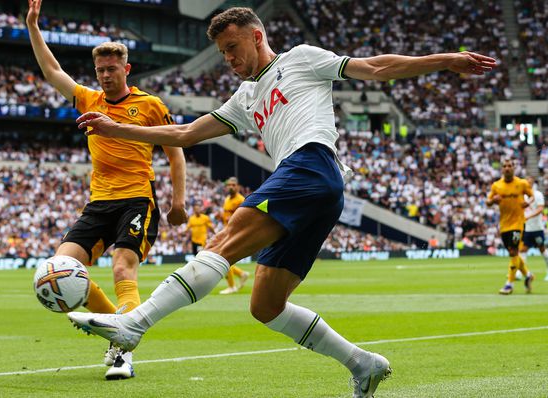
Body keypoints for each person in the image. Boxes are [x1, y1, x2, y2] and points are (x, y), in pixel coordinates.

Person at [68, 7, 496, 396]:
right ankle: (363, 364)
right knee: (266, 306)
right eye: (221, 53)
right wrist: (116, 130)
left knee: (224, 240)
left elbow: (376, 68)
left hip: (310, 164)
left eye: (232, 47)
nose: (228, 59)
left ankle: (133, 324)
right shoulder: (246, 96)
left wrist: (444, 60)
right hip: (314, 189)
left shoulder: (301, 58)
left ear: (256, 37)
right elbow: (184, 134)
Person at [26, 0, 187, 380]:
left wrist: (178, 202)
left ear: (126, 68)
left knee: (121, 267)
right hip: (98, 201)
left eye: (111, 69)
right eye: (100, 70)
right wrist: (33, 25)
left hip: (137, 198)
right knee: (59, 270)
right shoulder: (88, 98)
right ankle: (120, 329)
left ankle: (122, 350)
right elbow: (51, 69)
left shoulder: (149, 105)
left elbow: (176, 152)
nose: (104, 76)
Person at [486, 160, 533, 295]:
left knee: (513, 251)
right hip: (504, 225)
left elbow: (532, 196)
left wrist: (527, 203)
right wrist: (493, 201)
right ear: (502, 169)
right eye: (505, 166)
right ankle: (528, 275)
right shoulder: (496, 185)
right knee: (513, 253)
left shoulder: (521, 183)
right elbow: (488, 201)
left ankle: (509, 284)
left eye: (510, 166)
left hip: (518, 223)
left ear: (514, 168)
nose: (507, 168)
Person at [219, 177, 250, 294]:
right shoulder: (227, 199)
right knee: (224, 258)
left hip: (236, 232)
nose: (231, 187)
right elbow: (226, 216)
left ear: (238, 187)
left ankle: (232, 286)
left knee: (224, 258)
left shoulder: (241, 200)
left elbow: (245, 217)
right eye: (229, 185)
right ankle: (241, 274)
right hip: (227, 231)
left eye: (233, 185)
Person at [521, 177, 548, 281]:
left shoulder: (538, 194)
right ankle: (520, 272)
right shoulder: (523, 196)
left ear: (533, 183)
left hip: (537, 229)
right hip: (527, 229)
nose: (527, 184)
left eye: (529, 182)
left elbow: (540, 209)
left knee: (542, 249)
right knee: (523, 250)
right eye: (526, 182)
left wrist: (528, 216)